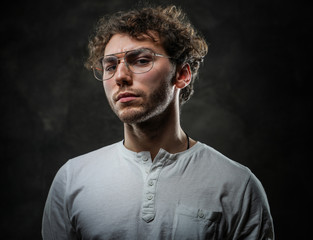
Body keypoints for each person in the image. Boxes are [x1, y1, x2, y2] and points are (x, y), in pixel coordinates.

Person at [42, 5, 274, 240]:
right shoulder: (72, 179)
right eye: (110, 66)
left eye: (141, 60)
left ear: (182, 74)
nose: (120, 76)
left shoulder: (237, 185)